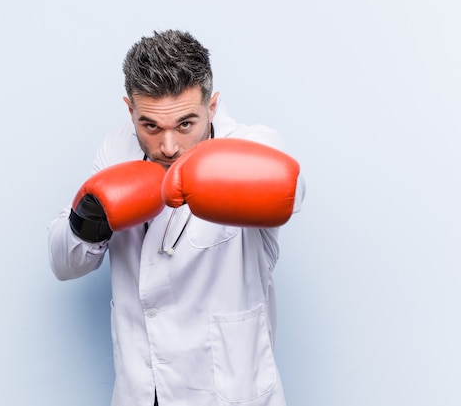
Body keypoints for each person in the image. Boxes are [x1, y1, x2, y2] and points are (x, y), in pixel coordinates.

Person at [47, 29, 305, 406]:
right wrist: (90, 218)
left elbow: (292, 191)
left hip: (227, 389)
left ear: (212, 106)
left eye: (186, 124)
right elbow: (63, 263)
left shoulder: (252, 145)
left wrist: (208, 180)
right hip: (142, 385)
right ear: (129, 109)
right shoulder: (116, 148)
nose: (168, 147)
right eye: (150, 125)